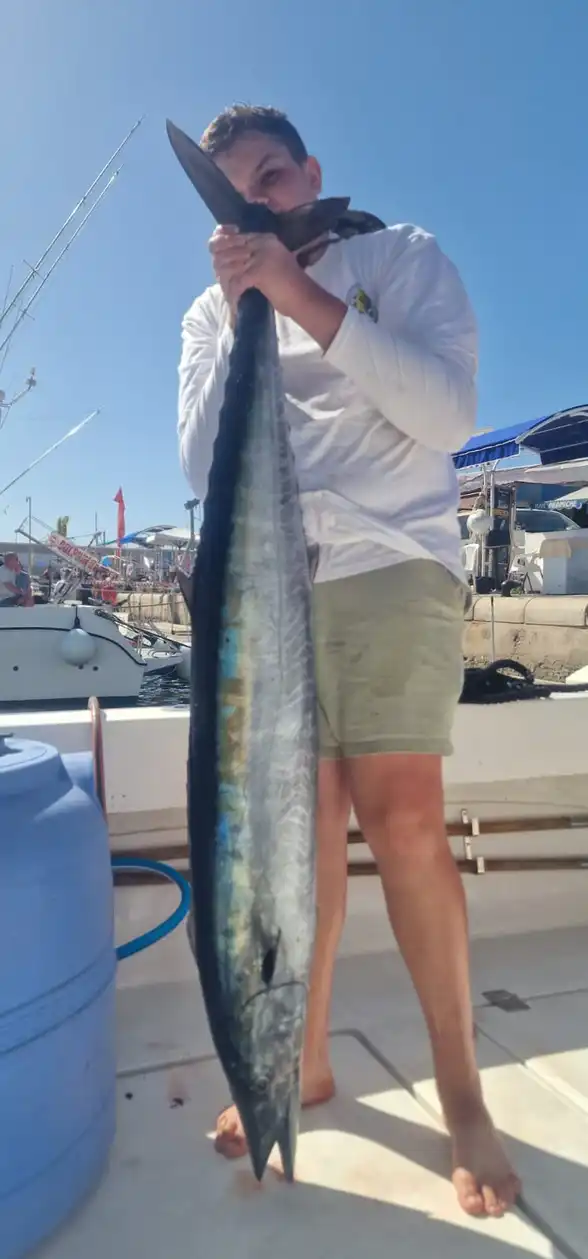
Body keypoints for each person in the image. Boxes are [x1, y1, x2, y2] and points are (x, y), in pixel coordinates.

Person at [177, 105, 520, 1218]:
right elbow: (200, 460)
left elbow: (445, 412)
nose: (258, 198)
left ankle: (462, 1096)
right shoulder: (208, 314)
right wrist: (245, 310)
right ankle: (303, 1059)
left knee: (405, 818)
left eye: (273, 175)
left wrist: (297, 294)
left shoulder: (399, 260)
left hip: (389, 561)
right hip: (263, 585)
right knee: (300, 837)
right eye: (236, 188)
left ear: (311, 172)